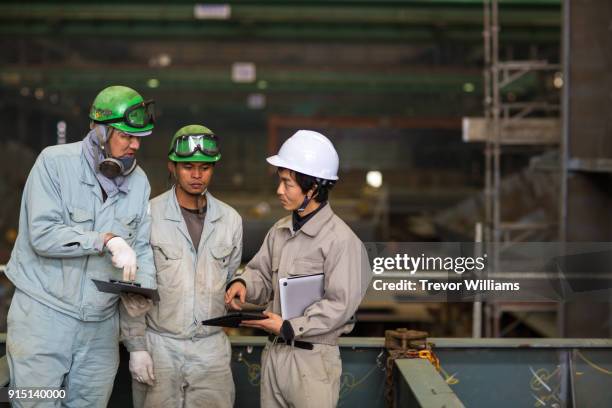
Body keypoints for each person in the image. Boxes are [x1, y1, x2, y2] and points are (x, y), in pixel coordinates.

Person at [5, 85, 157, 407]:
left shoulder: (139, 182)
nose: (135, 144)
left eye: (139, 137)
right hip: (43, 319)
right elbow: (43, 235)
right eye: (126, 136)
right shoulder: (54, 164)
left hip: (100, 328)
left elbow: (141, 249)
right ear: (101, 131)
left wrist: (139, 325)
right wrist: (105, 239)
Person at [225, 130, 371, 408]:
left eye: (287, 183)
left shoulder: (342, 241)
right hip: (275, 355)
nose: (279, 191)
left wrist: (290, 326)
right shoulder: (279, 231)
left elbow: (339, 305)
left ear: (313, 187)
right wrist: (243, 285)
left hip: (313, 361)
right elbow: (259, 272)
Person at [121, 124, 243, 407]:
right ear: (172, 167)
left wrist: (239, 285)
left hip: (211, 348)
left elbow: (230, 277)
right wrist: (137, 348)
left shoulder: (230, 220)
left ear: (213, 169)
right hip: (160, 345)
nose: (197, 175)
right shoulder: (149, 214)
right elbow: (132, 289)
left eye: (205, 167)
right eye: (188, 166)